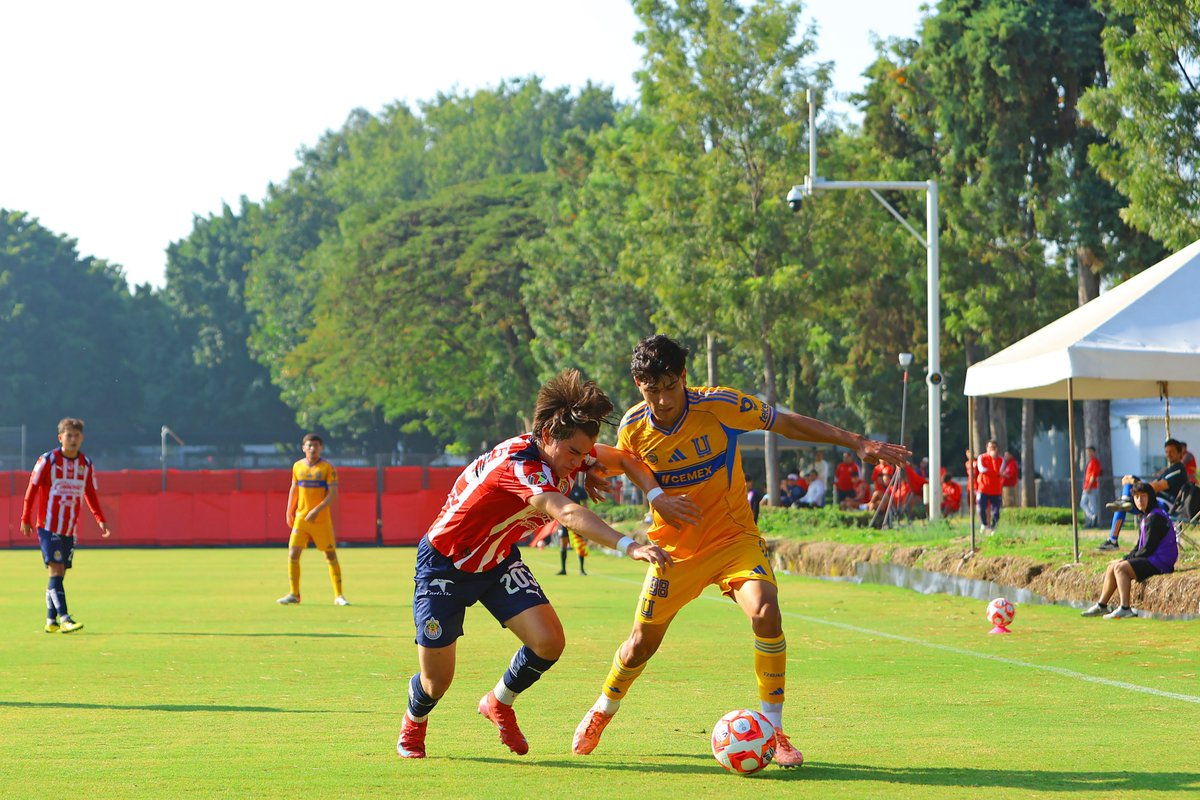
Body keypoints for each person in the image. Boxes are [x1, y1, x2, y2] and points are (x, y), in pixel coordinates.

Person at [570, 335, 909, 768]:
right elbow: (623, 460)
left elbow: (786, 423)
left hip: (734, 540)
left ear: (685, 378)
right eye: (651, 390)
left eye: (670, 387)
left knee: (766, 612)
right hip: (674, 552)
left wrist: (857, 442)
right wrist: (596, 470)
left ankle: (774, 730)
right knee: (639, 646)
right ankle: (603, 709)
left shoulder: (722, 405)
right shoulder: (634, 426)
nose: (662, 399)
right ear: (639, 385)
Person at [397, 368, 698, 759]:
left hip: (497, 561)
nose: (579, 462)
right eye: (573, 454)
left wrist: (654, 495)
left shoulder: (564, 452)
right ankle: (413, 723)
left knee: (549, 642)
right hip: (445, 564)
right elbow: (567, 512)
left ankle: (498, 702)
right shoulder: (521, 466)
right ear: (545, 437)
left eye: (583, 454)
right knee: (437, 682)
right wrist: (628, 544)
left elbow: (626, 461)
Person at [20, 418, 112, 633]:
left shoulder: (86, 464)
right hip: (48, 526)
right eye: (68, 436)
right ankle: (65, 618)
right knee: (56, 569)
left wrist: (100, 518)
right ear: (60, 438)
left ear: (82, 438)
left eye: (76, 436)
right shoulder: (48, 460)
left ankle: (50, 620)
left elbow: (90, 493)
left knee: (59, 574)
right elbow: (32, 489)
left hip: (69, 529)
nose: (72, 440)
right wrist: (25, 517)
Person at [1081, 481, 1177, 619]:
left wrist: (1125, 561)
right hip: (1152, 559)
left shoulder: (1155, 517)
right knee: (1112, 567)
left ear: (1150, 497)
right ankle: (1102, 606)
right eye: (1136, 497)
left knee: (1120, 569)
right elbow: (1139, 546)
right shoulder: (1147, 516)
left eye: (1143, 496)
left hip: (1161, 563)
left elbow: (1147, 550)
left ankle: (1125, 608)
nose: (1140, 500)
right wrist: (1125, 558)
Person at [278, 434, 348, 606]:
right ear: (303, 447)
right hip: (301, 519)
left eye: (316, 445)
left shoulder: (326, 468)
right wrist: (289, 511)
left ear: (321, 448)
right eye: (309, 445)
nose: (312, 449)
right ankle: (294, 594)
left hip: (321, 520)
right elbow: (294, 488)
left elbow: (332, 495)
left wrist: (317, 511)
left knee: (330, 555)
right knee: (293, 553)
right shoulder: (298, 466)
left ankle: (339, 595)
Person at [1100, 438, 1188, 551]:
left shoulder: (1178, 469)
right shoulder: (1170, 469)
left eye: (1171, 452)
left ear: (1180, 453)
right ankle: (1112, 540)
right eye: (1166, 452)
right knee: (1123, 502)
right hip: (1154, 501)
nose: (1168, 455)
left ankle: (1125, 501)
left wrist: (1134, 481)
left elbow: (1157, 487)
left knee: (1131, 482)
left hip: (1165, 505)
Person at [556, 478, 591, 575]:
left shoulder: (579, 490)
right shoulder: (562, 488)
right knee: (563, 543)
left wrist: (585, 517)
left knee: (579, 544)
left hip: (577, 521)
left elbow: (585, 504)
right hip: (563, 520)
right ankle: (563, 569)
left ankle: (582, 569)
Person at [975, 440, 1004, 534]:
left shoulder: (1000, 460)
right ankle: (984, 524)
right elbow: (982, 469)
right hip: (983, 488)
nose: (992, 449)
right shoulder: (981, 457)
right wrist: (995, 473)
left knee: (996, 511)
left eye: (994, 448)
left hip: (996, 490)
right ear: (987, 448)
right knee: (981, 507)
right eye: (990, 447)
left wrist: (994, 461)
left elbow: (1000, 471)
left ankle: (993, 527)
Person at [1081, 445, 1102, 528]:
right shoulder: (1090, 462)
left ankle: (1093, 522)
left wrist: (1089, 486)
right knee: (1083, 503)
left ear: (1094, 452)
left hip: (1092, 487)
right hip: (1086, 487)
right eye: (1087, 452)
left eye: (1090, 451)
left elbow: (1093, 476)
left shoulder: (1095, 462)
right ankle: (1092, 517)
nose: (1088, 453)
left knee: (1092, 506)